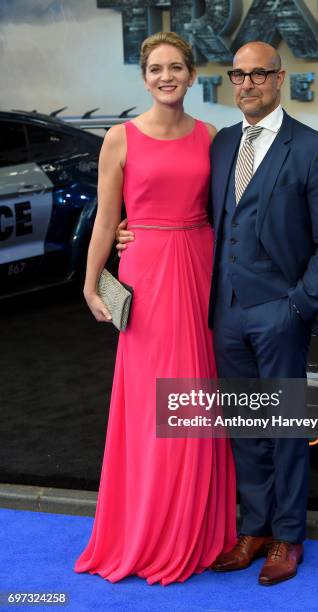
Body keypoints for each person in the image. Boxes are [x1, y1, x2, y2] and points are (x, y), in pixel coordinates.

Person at [117, 40, 318, 587]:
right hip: (224, 312)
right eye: (238, 76)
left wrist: (296, 307)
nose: (247, 84)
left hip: (280, 313)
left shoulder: (315, 149)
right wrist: (133, 232)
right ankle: (255, 528)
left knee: (284, 429)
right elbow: (185, 211)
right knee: (246, 428)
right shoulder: (221, 144)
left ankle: (288, 538)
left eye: (258, 75)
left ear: (279, 79)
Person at [74, 31, 237, 586]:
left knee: (198, 396)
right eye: (155, 69)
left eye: (176, 67)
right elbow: (104, 218)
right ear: (144, 78)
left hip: (200, 267)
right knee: (149, 404)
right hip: (146, 275)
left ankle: (195, 527)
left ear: (192, 75)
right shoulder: (118, 139)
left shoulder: (212, 136)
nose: (166, 76)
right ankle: (147, 528)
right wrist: (93, 281)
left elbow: (224, 215)